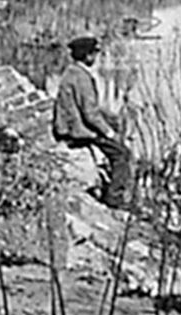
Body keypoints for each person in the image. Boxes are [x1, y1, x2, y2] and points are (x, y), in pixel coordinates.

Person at [52, 34, 134, 208]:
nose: (96, 58)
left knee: (113, 130)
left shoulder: (71, 72)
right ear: (87, 56)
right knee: (122, 154)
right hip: (79, 130)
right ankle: (115, 197)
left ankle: (110, 187)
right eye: (94, 54)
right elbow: (90, 114)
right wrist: (109, 132)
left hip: (70, 125)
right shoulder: (82, 78)